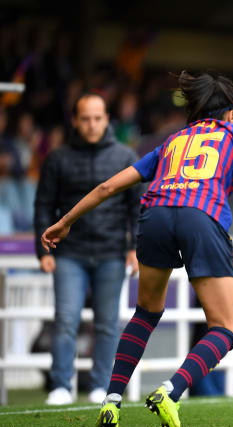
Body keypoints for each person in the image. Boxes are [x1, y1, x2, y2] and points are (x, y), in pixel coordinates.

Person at [41, 71, 233, 427]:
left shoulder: (172, 141)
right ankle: (171, 390)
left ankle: (111, 401)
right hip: (200, 217)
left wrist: (66, 221)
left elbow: (107, 186)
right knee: (226, 328)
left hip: (154, 217)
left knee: (146, 312)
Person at [34, 92, 141, 406]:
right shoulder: (57, 158)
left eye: (97, 118)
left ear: (107, 119)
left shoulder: (125, 157)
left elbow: (136, 207)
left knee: (107, 323)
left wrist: (134, 248)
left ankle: (102, 386)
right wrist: (44, 251)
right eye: (85, 118)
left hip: (111, 252)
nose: (92, 124)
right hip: (69, 254)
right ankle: (60, 386)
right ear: (75, 121)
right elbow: (43, 207)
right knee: (65, 320)